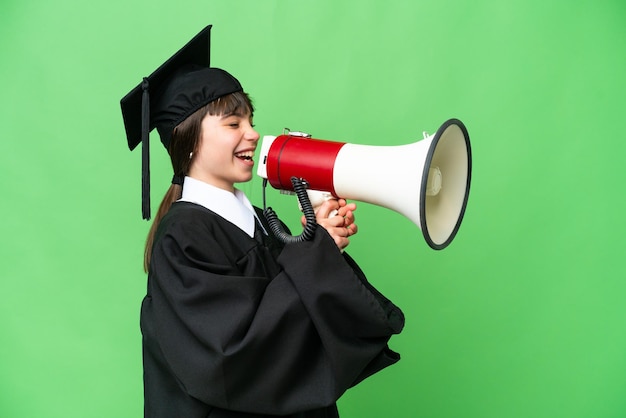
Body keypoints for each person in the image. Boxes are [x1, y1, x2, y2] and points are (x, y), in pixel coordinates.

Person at [121, 25, 404, 418]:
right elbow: (231, 355)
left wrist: (320, 245)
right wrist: (313, 254)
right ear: (188, 139)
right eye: (234, 124)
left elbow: (294, 316)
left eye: (251, 121)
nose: (253, 134)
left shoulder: (254, 218)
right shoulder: (183, 236)